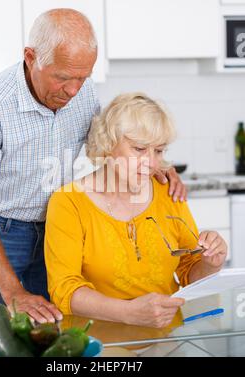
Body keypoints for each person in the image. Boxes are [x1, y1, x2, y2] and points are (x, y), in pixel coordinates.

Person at [0, 8, 186, 323]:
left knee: (58, 333)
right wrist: (13, 292)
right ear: (30, 57)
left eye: (83, 78)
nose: (73, 91)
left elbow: (110, 140)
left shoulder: (81, 91)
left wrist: (150, 160)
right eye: (63, 78)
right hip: (1, 230)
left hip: (61, 228)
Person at [45, 93, 228, 328]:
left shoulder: (168, 192)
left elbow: (189, 272)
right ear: (108, 145)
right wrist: (128, 312)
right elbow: (64, 290)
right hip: (99, 342)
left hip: (169, 337)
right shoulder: (68, 202)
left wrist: (210, 263)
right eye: (140, 149)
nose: (151, 163)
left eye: (159, 151)